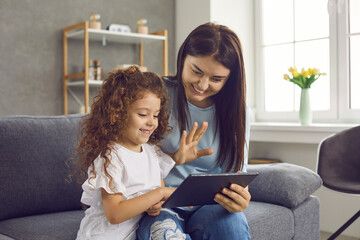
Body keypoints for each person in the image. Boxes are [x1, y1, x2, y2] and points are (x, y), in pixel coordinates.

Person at [136, 22, 251, 240]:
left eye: (216, 79)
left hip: (210, 205)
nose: (203, 84)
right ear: (183, 58)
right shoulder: (154, 94)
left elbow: (238, 174)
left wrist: (240, 197)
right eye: (196, 71)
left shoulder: (239, 112)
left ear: (230, 79)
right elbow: (126, 155)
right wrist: (173, 159)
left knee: (232, 227)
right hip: (158, 204)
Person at [74, 66, 208, 240]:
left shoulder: (152, 152)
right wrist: (160, 194)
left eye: (156, 115)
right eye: (143, 114)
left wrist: (156, 204)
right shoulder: (110, 159)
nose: (152, 123)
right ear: (117, 114)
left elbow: (155, 187)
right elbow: (114, 214)